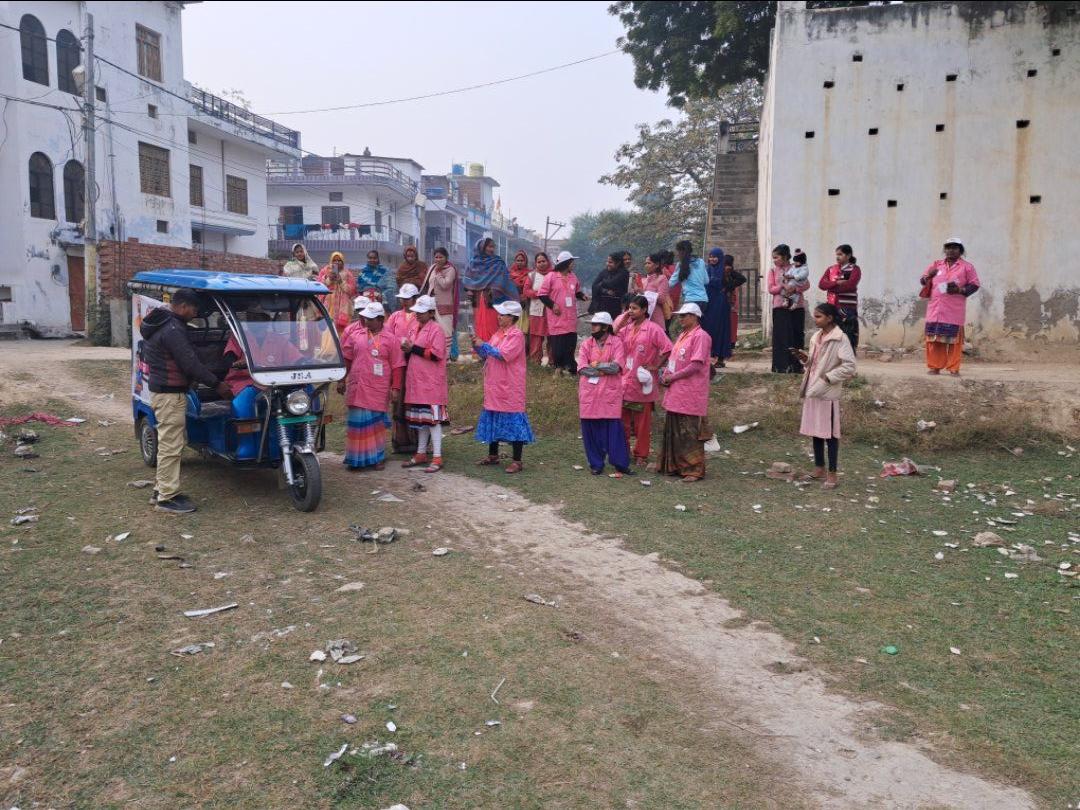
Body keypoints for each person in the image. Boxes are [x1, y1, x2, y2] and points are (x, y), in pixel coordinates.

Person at [139, 288, 231, 514]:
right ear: (182, 306)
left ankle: (161, 489)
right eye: (193, 308)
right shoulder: (173, 329)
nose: (195, 313)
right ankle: (166, 498)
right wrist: (217, 385)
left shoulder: (166, 324)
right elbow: (190, 364)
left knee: (170, 443)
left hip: (165, 393)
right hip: (169, 395)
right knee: (171, 445)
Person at [337, 302, 405, 471]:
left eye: (371, 319)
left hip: (377, 388)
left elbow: (397, 365)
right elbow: (347, 359)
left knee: (375, 425)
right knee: (357, 424)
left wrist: (396, 388)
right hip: (358, 386)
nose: (366, 321)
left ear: (381, 319)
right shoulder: (355, 335)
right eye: (366, 318)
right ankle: (356, 460)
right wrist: (341, 380)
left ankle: (377, 458)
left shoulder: (391, 339)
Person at [795, 303, 857, 489]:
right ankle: (819, 468)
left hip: (827, 391)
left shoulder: (840, 338)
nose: (815, 319)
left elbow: (849, 366)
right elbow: (814, 363)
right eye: (815, 316)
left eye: (819, 316)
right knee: (816, 430)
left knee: (830, 434)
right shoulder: (816, 337)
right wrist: (805, 359)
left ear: (830, 318)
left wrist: (829, 377)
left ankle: (832, 474)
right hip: (813, 388)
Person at [472, 300, 534, 473]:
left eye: (502, 315)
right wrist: (477, 346)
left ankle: (517, 460)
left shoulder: (516, 335)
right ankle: (493, 455)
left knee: (514, 421)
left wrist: (484, 345)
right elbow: (488, 354)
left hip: (510, 385)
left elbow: (504, 355)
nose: (498, 317)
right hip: (495, 384)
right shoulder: (498, 334)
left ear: (512, 317)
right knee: (494, 417)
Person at [658, 303, 712, 482]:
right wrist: (666, 374)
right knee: (674, 430)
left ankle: (693, 469)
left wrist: (673, 377)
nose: (680, 318)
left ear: (695, 316)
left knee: (689, 432)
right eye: (680, 315)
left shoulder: (701, 336)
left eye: (684, 315)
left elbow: (696, 365)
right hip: (676, 391)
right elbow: (674, 360)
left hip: (690, 391)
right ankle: (674, 465)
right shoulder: (682, 335)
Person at [618, 295, 672, 467]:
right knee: (623, 422)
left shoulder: (653, 329)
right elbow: (612, 333)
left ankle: (641, 454)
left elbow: (668, 349)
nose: (631, 311)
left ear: (644, 310)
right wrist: (624, 318)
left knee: (642, 423)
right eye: (629, 308)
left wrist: (656, 366)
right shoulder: (626, 328)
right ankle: (623, 451)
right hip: (625, 381)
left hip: (643, 383)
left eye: (634, 308)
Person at [577, 312, 633, 476]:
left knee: (614, 431)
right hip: (590, 393)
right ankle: (596, 464)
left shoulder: (616, 343)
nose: (592, 328)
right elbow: (582, 368)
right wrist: (604, 369)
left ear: (605, 327)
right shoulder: (586, 344)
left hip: (609, 393)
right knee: (590, 430)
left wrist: (596, 365)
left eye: (595, 325)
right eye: (592, 325)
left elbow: (616, 367)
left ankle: (620, 464)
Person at [400, 295, 449, 473]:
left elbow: (436, 354)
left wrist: (412, 348)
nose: (417, 314)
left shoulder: (437, 330)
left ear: (431, 313)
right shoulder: (414, 327)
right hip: (417, 382)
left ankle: (437, 456)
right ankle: (421, 453)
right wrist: (406, 349)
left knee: (433, 421)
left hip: (431, 383)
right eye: (417, 312)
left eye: (421, 312)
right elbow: (412, 351)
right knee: (422, 420)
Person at [920, 238, 980, 376]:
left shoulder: (967, 267)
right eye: (948, 247)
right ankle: (935, 367)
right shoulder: (937, 264)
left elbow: (975, 285)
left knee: (954, 341)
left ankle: (953, 368)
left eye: (954, 248)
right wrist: (929, 276)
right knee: (934, 340)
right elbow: (923, 281)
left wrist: (960, 290)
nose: (951, 250)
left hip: (954, 311)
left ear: (960, 250)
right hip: (935, 309)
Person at [537, 250, 589, 373]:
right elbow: (542, 294)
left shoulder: (573, 277)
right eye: (571, 262)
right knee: (558, 346)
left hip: (570, 318)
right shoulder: (551, 276)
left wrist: (582, 296)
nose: (573, 264)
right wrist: (552, 305)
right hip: (557, 317)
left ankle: (571, 369)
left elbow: (576, 291)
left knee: (570, 344)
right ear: (566, 263)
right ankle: (558, 368)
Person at [386, 283, 420, 455]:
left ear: (415, 299)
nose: (404, 302)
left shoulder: (420, 316)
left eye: (408, 299)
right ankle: (400, 442)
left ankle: (418, 442)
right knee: (399, 401)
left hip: (415, 362)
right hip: (398, 362)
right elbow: (387, 336)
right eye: (402, 299)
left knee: (414, 401)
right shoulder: (394, 316)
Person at [463, 237, 516, 342]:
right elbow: (467, 280)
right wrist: (470, 290)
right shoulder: (474, 263)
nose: (492, 249)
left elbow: (505, 279)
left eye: (493, 247)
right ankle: (481, 349)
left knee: (494, 325)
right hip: (478, 299)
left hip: (494, 299)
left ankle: (493, 348)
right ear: (482, 248)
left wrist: (496, 288)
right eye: (489, 246)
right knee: (479, 324)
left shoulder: (498, 262)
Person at [768, 244, 810, 373]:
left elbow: (807, 284)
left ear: (785, 256)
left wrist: (795, 289)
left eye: (776, 257)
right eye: (773, 258)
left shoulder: (796, 268)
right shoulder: (773, 271)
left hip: (796, 307)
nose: (774, 260)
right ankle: (780, 367)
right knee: (781, 336)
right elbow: (771, 289)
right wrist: (781, 286)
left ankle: (797, 366)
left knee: (796, 335)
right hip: (780, 307)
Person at [818, 244, 862, 351]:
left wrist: (831, 287)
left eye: (840, 254)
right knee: (831, 338)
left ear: (848, 255)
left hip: (847, 309)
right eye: (837, 254)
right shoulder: (831, 269)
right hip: (831, 309)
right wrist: (836, 283)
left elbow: (850, 285)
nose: (837, 257)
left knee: (848, 337)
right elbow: (822, 285)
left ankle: (847, 359)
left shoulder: (854, 269)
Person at [701, 247, 734, 367]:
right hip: (708, 302)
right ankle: (707, 357)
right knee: (708, 328)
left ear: (720, 258)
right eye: (710, 256)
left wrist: (727, 287)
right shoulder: (706, 269)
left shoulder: (725, 270)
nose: (712, 259)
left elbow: (740, 279)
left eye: (715, 257)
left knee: (720, 329)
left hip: (720, 303)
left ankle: (720, 358)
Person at [426, 247, 459, 356]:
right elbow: (428, 284)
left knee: (446, 331)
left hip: (444, 305)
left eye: (441, 257)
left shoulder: (450, 269)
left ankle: (446, 357)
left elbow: (445, 285)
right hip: (431, 304)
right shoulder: (432, 268)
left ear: (446, 258)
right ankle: (435, 354)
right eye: (436, 257)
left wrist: (439, 273)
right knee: (433, 330)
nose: (438, 259)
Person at [317, 252, 357, 335]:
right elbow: (319, 286)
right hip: (328, 305)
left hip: (342, 307)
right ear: (331, 261)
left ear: (343, 262)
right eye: (334, 260)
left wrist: (341, 282)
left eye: (339, 260)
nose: (337, 262)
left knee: (341, 331)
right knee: (327, 329)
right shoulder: (325, 271)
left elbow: (351, 291)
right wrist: (329, 279)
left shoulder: (348, 274)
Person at [523, 252, 552, 363]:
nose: (541, 264)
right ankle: (535, 362)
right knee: (536, 337)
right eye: (539, 262)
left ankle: (553, 362)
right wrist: (539, 293)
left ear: (548, 261)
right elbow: (526, 291)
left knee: (552, 337)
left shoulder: (554, 274)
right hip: (536, 312)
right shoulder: (532, 276)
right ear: (535, 263)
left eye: (543, 261)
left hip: (551, 311)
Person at [669, 241, 708, 321]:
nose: (677, 254)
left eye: (677, 252)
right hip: (703, 300)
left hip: (691, 301)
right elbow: (706, 281)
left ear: (680, 252)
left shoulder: (680, 265)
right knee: (697, 325)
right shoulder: (701, 262)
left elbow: (670, 284)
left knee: (688, 326)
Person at [590, 252, 631, 321]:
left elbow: (611, 283)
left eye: (610, 262)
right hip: (602, 306)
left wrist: (602, 282)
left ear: (618, 263)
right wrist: (605, 291)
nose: (607, 264)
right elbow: (594, 286)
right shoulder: (604, 272)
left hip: (617, 306)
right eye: (607, 262)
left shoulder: (623, 272)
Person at [635, 253, 672, 329]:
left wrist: (644, 293)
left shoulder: (662, 278)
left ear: (657, 265)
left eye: (649, 263)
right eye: (645, 263)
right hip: (642, 317)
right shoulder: (644, 280)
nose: (646, 265)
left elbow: (662, 299)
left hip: (655, 317)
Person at [508, 250, 533, 337]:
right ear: (515, 261)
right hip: (512, 305)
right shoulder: (510, 274)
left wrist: (524, 297)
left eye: (522, 260)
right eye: (518, 260)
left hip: (526, 305)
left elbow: (531, 288)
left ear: (525, 261)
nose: (520, 262)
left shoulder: (530, 274)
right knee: (512, 329)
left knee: (525, 330)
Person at [725, 255, 743, 352]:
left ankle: (731, 344)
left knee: (731, 325)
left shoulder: (732, 275)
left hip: (731, 304)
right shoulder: (724, 274)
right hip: (728, 304)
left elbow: (734, 291)